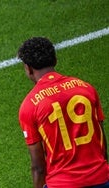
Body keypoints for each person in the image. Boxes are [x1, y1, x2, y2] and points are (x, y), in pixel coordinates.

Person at [17, 37, 109, 188]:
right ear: (55, 60)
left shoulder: (29, 105)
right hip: (101, 178)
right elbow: (102, 144)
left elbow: (38, 167)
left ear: (28, 68)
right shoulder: (86, 89)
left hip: (63, 184)